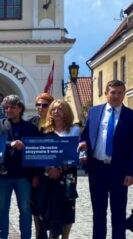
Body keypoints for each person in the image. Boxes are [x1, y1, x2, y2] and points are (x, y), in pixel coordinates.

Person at [78, 80, 133, 239]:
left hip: (119, 171)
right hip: (97, 169)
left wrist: (132, 172)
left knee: (118, 212)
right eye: (113, 92)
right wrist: (83, 143)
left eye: (120, 93)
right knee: (98, 212)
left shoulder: (132, 116)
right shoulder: (93, 112)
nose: (116, 96)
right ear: (106, 94)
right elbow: (85, 135)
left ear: (124, 95)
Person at [0, 95, 40, 239]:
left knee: (25, 209)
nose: (8, 110)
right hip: (2, 174)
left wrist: (35, 175)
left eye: (12, 107)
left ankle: (26, 236)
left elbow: (36, 154)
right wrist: (10, 144)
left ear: (20, 109)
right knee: (2, 209)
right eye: (6, 108)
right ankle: (2, 236)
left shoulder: (31, 128)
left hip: (24, 176)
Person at [36, 99, 80, 239]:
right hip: (49, 175)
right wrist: (49, 169)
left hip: (68, 174)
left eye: (60, 108)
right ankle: (52, 236)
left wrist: (61, 168)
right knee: (51, 208)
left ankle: (65, 237)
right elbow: (40, 153)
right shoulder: (44, 131)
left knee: (68, 207)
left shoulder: (75, 130)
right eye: (53, 109)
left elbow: (77, 152)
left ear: (66, 111)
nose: (56, 111)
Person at [31, 93, 54, 239]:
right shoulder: (32, 123)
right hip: (35, 170)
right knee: (36, 204)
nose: (41, 108)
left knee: (51, 204)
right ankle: (39, 233)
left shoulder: (56, 123)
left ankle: (52, 234)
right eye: (38, 105)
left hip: (53, 170)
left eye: (44, 105)